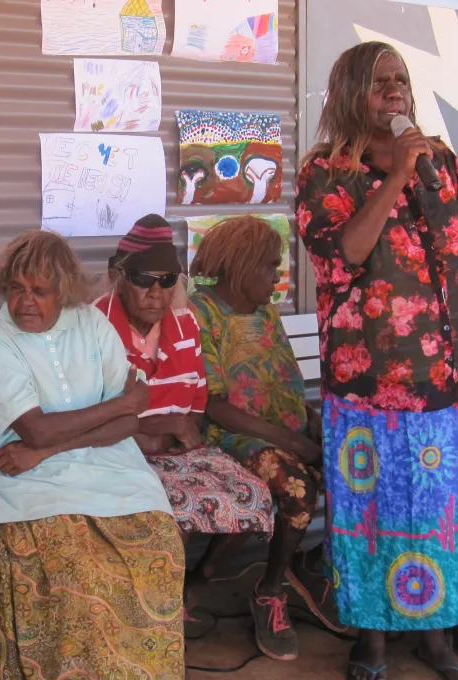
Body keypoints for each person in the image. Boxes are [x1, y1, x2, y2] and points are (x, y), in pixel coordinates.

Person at [297, 42, 458, 680]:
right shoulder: (326, 171)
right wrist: (397, 175)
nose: (395, 91)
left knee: (445, 515)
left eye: (401, 79)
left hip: (454, 383)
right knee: (375, 516)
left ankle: (440, 642)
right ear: (350, 91)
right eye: (379, 82)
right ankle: (371, 645)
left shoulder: (443, 163)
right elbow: (343, 253)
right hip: (371, 385)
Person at [0, 231, 185, 679]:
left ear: (62, 292)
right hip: (28, 478)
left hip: (106, 464)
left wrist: (48, 449)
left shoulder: (90, 324)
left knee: (160, 549)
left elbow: (127, 425)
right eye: (16, 288)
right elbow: (35, 427)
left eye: (39, 291)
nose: (25, 302)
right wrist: (120, 403)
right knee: (79, 570)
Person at [94, 214, 276, 638]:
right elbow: (92, 413)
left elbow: (195, 403)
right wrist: (155, 431)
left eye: (167, 279)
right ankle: (151, 613)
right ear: (120, 277)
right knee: (163, 509)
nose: (156, 291)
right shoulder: (93, 326)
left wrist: (175, 428)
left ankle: (188, 586)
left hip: (175, 450)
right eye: (143, 278)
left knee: (251, 495)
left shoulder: (186, 323)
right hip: (115, 453)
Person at [187, 215, 341, 662]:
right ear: (241, 266)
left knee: (357, 464)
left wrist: (309, 420)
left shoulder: (264, 313)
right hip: (228, 435)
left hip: (279, 433)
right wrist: (293, 443)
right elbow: (213, 405)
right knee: (296, 487)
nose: (277, 276)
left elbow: (283, 380)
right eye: (270, 266)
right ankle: (269, 589)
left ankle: (313, 564)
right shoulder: (202, 314)